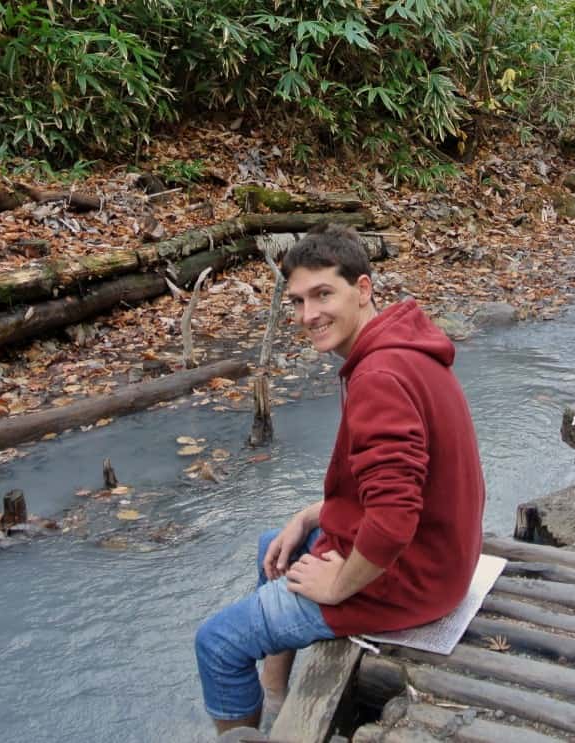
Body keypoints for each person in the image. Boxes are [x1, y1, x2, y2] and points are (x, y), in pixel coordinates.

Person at [194, 223, 485, 735]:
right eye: (299, 301)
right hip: (443, 557)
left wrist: (337, 586)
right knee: (275, 545)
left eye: (323, 294)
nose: (308, 316)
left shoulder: (378, 378)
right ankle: (277, 701)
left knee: (217, 644)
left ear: (364, 288)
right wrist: (310, 515)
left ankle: (258, 716)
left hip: (413, 581)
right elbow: (392, 485)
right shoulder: (401, 348)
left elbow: (393, 520)